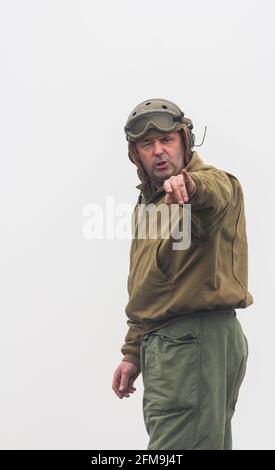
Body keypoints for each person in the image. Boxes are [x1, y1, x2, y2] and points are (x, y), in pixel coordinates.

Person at [112, 98, 253, 450]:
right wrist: (133, 353)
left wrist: (190, 188)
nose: (158, 151)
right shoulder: (149, 206)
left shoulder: (210, 184)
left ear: (185, 142)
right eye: (147, 144)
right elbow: (148, 284)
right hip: (170, 345)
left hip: (193, 340)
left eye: (167, 140)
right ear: (136, 155)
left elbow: (215, 193)